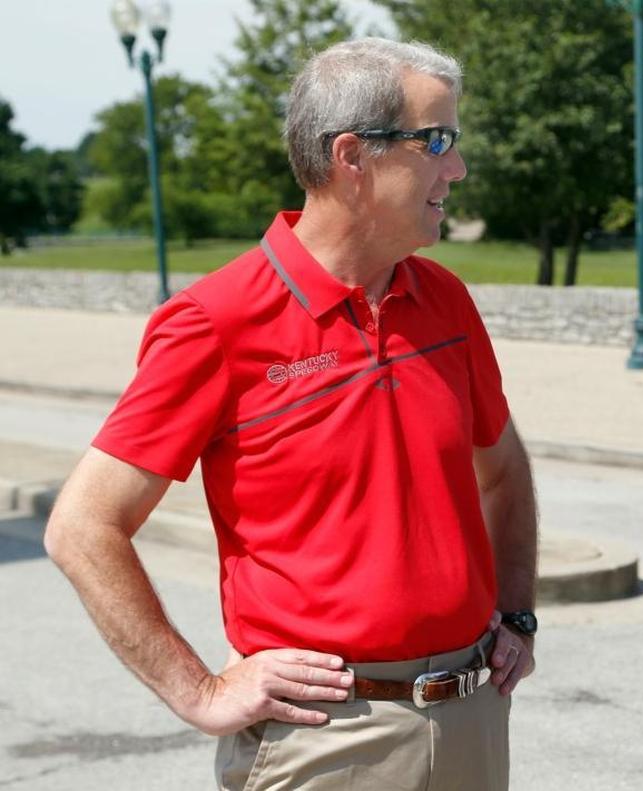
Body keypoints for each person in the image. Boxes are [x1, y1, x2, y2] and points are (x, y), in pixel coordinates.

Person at [45, 38, 538, 790]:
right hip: (326, 742)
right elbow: (82, 527)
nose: (456, 168)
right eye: (436, 141)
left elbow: (502, 470)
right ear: (353, 157)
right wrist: (199, 690)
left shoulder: (446, 300)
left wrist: (518, 612)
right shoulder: (215, 321)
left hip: (474, 718)